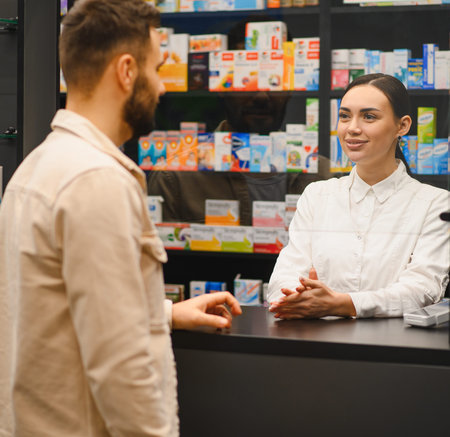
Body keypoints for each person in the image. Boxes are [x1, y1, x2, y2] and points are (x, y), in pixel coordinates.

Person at [0, 1, 241, 436]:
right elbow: (121, 366)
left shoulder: (37, 168)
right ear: (127, 71)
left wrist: (161, 312)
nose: (162, 87)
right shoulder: (97, 180)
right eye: (157, 68)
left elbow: (57, 306)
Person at [268, 73, 449, 319]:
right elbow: (284, 276)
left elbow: (422, 289)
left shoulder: (435, 204)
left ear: (402, 126)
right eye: (344, 116)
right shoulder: (317, 195)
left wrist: (341, 304)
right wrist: (294, 297)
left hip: (395, 349)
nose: (352, 128)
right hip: (314, 343)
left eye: (369, 116)